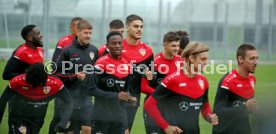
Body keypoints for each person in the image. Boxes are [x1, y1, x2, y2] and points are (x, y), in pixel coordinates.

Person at [144, 42, 218, 134]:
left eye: (207, 59)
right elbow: (149, 104)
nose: (206, 63)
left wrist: (209, 116)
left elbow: (205, 107)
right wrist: (166, 127)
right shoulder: (173, 80)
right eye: (203, 59)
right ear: (191, 58)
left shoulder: (203, 81)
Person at [85, 31, 138, 134]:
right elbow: (90, 89)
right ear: (107, 46)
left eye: (119, 43)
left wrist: (130, 97)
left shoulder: (127, 65)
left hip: (119, 118)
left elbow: (124, 90)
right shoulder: (100, 63)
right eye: (114, 43)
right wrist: (116, 96)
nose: (117, 46)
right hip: (101, 117)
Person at [0, 63, 73, 134]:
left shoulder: (56, 84)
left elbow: (69, 102)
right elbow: (2, 102)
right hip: (18, 117)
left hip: (37, 120)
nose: (34, 87)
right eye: (31, 84)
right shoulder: (17, 82)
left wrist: (63, 122)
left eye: (37, 85)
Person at [55, 19, 98, 134]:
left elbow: (96, 72)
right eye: (85, 33)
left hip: (86, 99)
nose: (88, 36)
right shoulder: (68, 50)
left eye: (90, 33)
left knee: (87, 129)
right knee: (70, 132)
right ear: (78, 32)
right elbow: (58, 73)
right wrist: (74, 76)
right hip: (69, 98)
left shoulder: (94, 50)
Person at [212, 44, 259, 134]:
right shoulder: (227, 81)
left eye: (257, 58)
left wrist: (255, 110)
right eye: (252, 58)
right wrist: (245, 107)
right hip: (226, 131)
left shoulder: (252, 79)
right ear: (240, 59)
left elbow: (248, 108)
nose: (256, 62)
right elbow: (218, 112)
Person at [141, 31, 181, 134]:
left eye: (177, 45)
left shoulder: (181, 63)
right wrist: (160, 95)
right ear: (165, 44)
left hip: (172, 108)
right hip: (154, 107)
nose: (176, 48)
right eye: (173, 45)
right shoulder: (154, 63)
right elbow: (143, 86)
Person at [121, 14, 154, 132]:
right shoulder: (116, 46)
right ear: (127, 27)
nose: (139, 29)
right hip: (115, 97)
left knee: (127, 130)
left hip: (134, 98)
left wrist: (150, 75)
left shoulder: (147, 51)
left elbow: (151, 76)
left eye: (141, 26)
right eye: (136, 26)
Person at [49, 17, 82, 134]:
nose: (79, 29)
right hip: (63, 83)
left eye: (81, 27)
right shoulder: (64, 42)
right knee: (58, 116)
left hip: (77, 86)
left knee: (74, 118)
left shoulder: (83, 43)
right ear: (71, 27)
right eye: (77, 26)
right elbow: (55, 64)